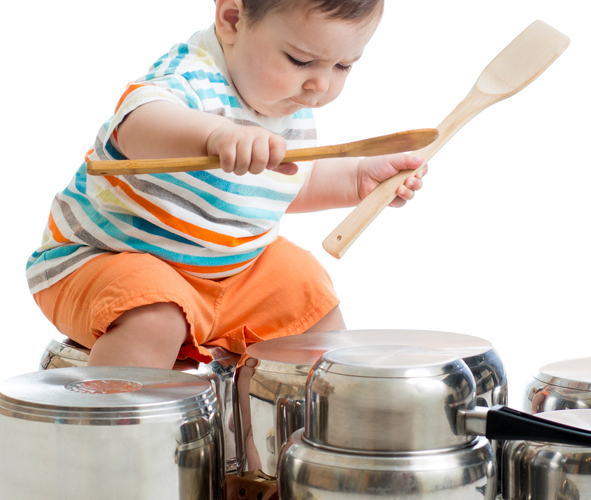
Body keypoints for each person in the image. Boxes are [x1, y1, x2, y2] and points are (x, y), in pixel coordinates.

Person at [25, 0, 425, 369]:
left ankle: (271, 434)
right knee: (154, 317)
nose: (321, 85)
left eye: (343, 66)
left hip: (227, 272)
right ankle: (118, 438)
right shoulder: (191, 74)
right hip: (105, 256)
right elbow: (137, 125)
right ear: (232, 19)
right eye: (301, 60)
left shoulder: (288, 102)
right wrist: (215, 135)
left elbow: (285, 184)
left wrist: (357, 180)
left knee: (308, 296)